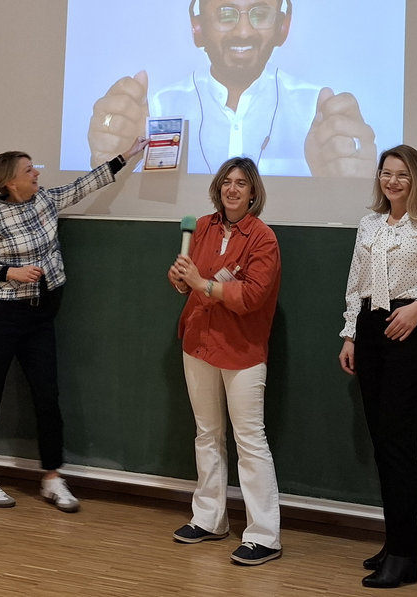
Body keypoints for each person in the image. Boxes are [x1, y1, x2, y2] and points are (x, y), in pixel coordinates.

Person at [0, 135, 148, 512]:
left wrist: (125, 156)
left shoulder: (46, 200)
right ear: (11, 182)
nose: (38, 173)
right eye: (30, 170)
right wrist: (10, 272)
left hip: (40, 316)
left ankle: (51, 477)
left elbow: (85, 185)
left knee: (48, 397)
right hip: (0, 319)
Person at [87, 0, 377, 177]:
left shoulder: (315, 111)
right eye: (226, 14)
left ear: (282, 27)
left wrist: (348, 186)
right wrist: (117, 164)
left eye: (260, 14)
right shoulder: (163, 107)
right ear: (198, 29)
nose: (243, 31)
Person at [337, 144, 417, 588]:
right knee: (381, 443)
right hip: (372, 335)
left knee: (398, 446)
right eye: (386, 173)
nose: (392, 182)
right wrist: (351, 334)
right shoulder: (369, 224)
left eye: (402, 176)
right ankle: (394, 543)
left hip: (410, 334)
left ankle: (407, 555)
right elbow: (357, 285)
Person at [168, 156, 282, 566]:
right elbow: (187, 283)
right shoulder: (201, 226)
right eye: (227, 182)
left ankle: (264, 535)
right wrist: (181, 279)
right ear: (219, 188)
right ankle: (210, 518)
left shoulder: (263, 238)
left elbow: (251, 297)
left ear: (253, 192)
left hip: (242, 351)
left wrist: (203, 284)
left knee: (250, 441)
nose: (233, 189)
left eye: (241, 183)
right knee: (206, 433)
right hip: (198, 342)